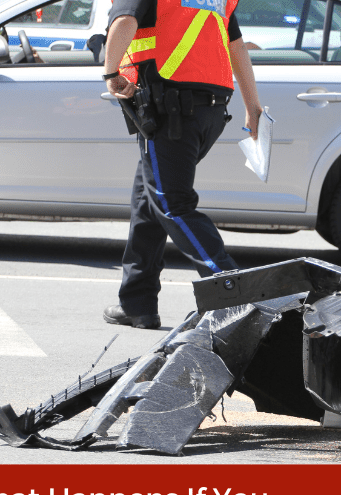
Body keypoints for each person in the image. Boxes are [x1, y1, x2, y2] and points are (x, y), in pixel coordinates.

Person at [102, 0, 262, 329]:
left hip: (171, 107)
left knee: (171, 204)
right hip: (210, 109)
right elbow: (236, 47)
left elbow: (125, 20)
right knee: (147, 202)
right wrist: (253, 107)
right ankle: (137, 303)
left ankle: (233, 292)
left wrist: (110, 73)